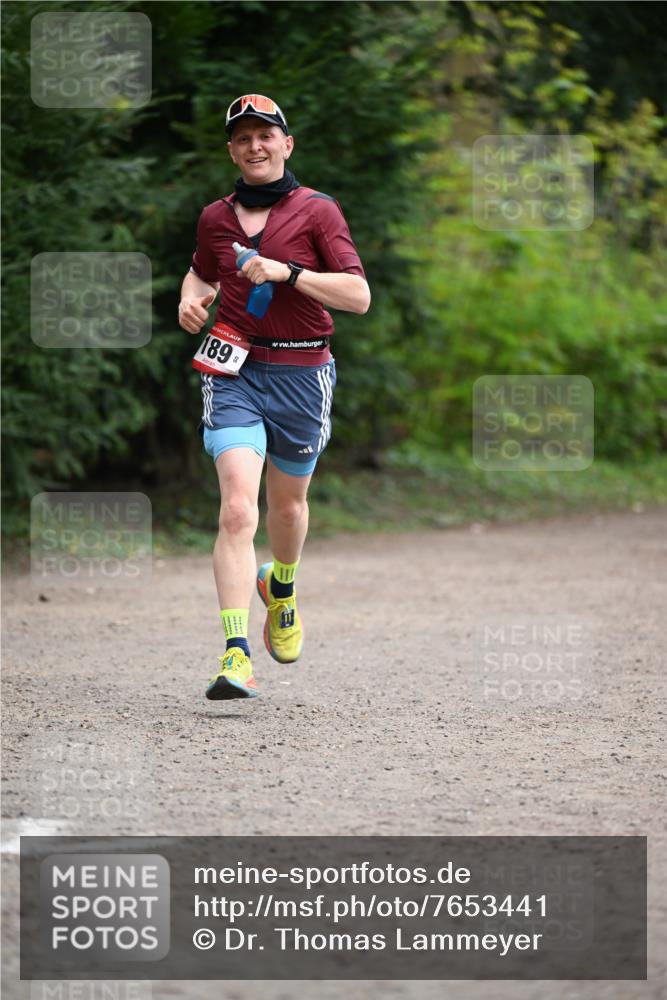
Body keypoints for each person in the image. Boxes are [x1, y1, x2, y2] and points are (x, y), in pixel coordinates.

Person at [178, 94, 370, 700]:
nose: (254, 146)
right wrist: (192, 296)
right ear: (231, 150)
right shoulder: (215, 217)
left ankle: (280, 588)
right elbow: (204, 271)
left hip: (303, 373)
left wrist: (287, 273)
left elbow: (358, 296)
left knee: (287, 509)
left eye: (266, 136)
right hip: (232, 371)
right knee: (238, 510)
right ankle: (235, 654)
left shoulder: (317, 211)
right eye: (242, 139)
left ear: (287, 144)